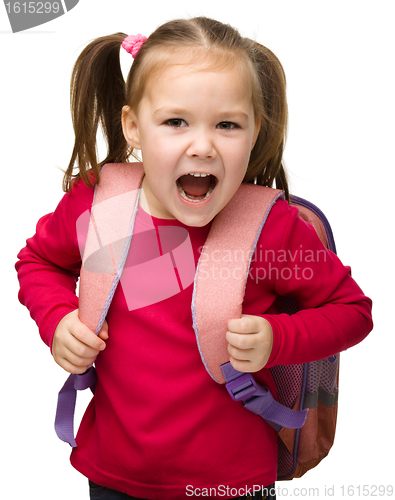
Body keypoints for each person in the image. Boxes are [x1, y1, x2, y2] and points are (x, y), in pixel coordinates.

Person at [15, 16, 373, 500]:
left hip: (233, 482)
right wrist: (57, 320)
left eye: (227, 125)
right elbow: (39, 261)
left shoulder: (272, 229)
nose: (201, 145)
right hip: (113, 472)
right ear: (133, 126)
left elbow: (353, 312)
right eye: (175, 122)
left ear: (254, 132)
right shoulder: (100, 204)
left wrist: (278, 338)